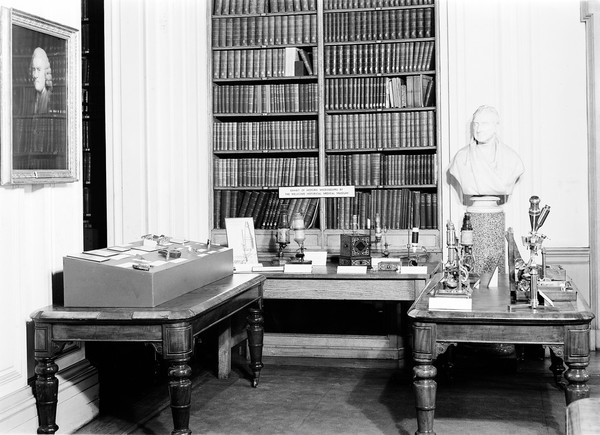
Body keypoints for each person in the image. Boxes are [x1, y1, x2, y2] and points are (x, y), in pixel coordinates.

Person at [448, 105, 524, 197]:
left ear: (496, 126)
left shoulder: (513, 159)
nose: (479, 129)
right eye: (476, 124)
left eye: (484, 124)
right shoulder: (461, 158)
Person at [30, 47, 53, 114]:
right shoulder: (30, 98)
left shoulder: (51, 99)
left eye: (39, 70)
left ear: (45, 73)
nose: (35, 75)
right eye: (34, 70)